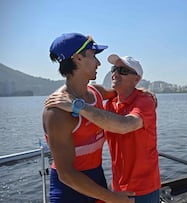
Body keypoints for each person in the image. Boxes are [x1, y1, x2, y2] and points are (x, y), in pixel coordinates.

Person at [45, 54, 161, 203]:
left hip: (144, 189)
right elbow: (104, 96)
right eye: (115, 69)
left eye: (123, 71)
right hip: (119, 187)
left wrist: (77, 106)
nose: (116, 73)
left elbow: (125, 125)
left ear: (136, 79)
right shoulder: (110, 105)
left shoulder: (144, 101)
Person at [42, 33, 134, 202]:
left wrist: (146, 94)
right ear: (77, 58)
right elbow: (67, 174)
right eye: (93, 56)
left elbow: (127, 92)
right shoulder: (57, 112)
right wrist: (113, 198)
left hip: (97, 181)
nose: (98, 63)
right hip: (70, 193)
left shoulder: (96, 93)